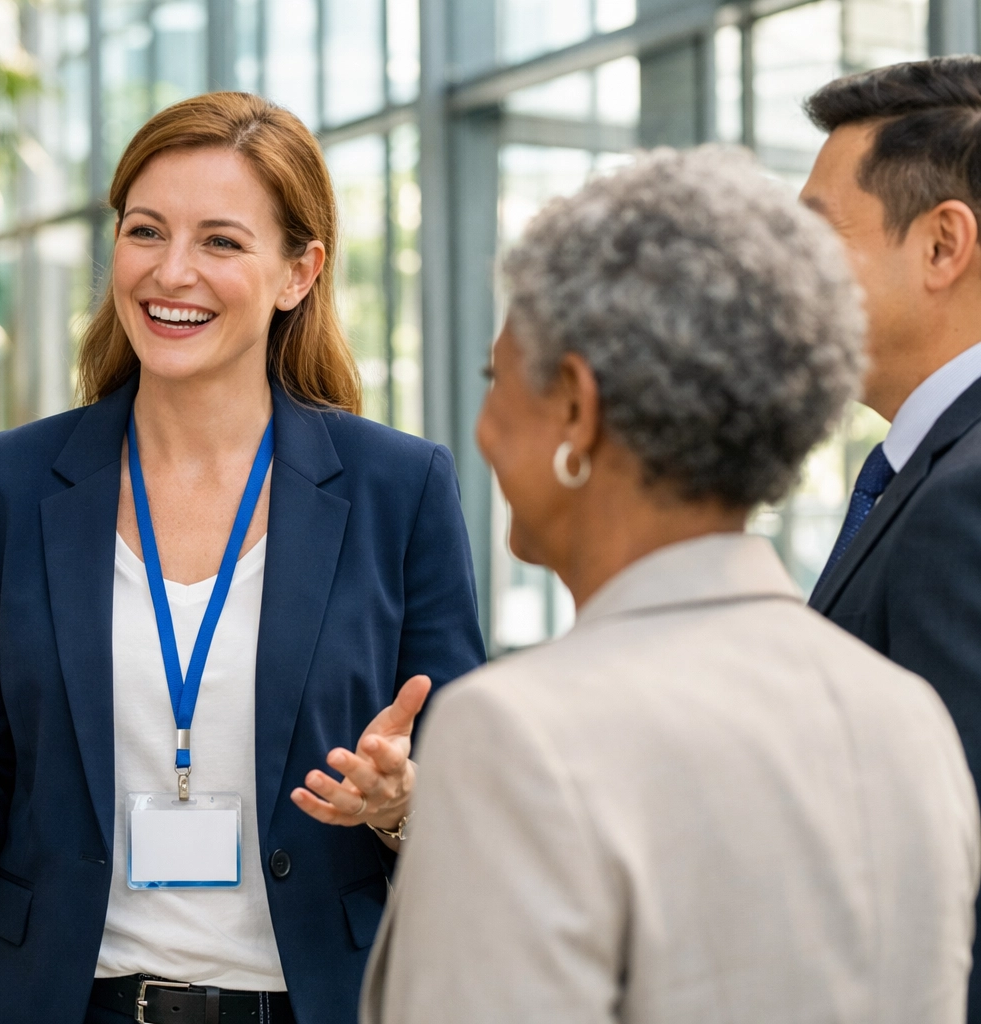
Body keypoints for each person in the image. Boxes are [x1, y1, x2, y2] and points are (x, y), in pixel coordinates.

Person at [0, 91, 486, 1024]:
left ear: (299, 272)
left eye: (221, 241)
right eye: (145, 231)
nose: (172, 272)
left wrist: (398, 806)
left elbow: (464, 792)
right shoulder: (1, 486)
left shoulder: (398, 489)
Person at [361, 147, 980, 1024]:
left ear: (576, 407)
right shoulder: (906, 715)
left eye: (498, 381)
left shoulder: (518, 733)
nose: (484, 430)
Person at [800, 56, 981, 1020]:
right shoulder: (926, 470)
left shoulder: (963, 499)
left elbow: (954, 867)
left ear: (943, 244)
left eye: (816, 234)